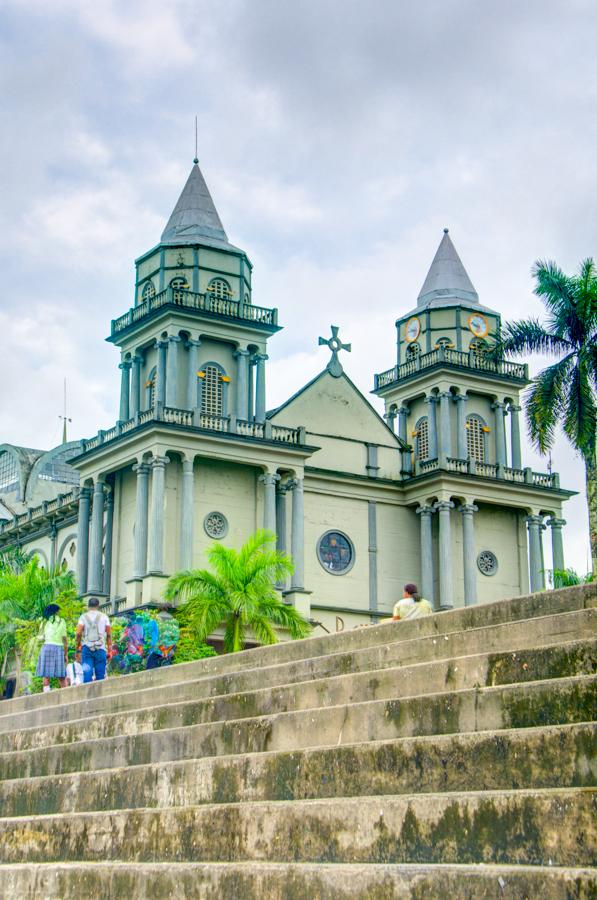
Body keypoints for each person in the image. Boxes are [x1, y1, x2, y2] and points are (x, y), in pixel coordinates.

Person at [76, 597, 112, 683]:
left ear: (88, 606)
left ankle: (87, 696)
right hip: (101, 649)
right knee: (100, 675)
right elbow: (109, 635)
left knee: (87, 673)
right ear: (98, 606)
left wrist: (78, 646)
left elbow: (78, 633)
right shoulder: (104, 617)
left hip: (87, 649)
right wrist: (110, 650)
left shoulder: (83, 617)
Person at [35, 603, 68, 691]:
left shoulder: (44, 621)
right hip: (59, 648)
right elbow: (64, 639)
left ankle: (46, 695)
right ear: (56, 611)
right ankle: (66, 694)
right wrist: (65, 654)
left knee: (46, 675)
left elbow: (40, 637)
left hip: (47, 647)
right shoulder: (62, 621)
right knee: (61, 675)